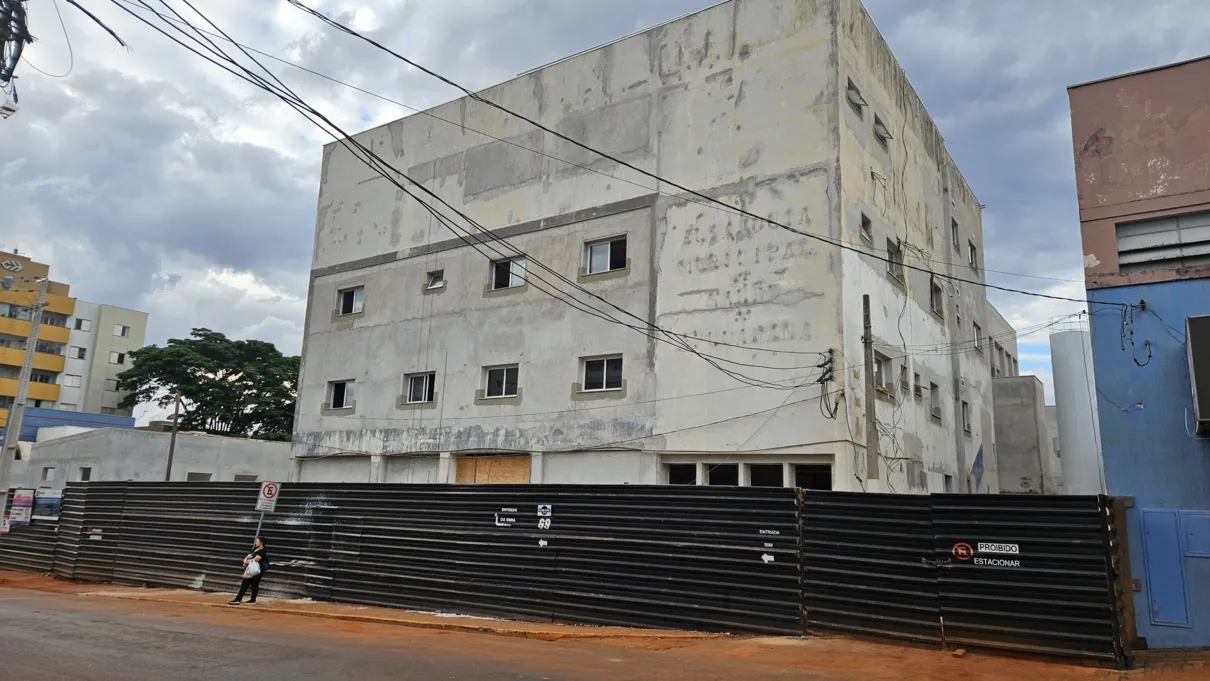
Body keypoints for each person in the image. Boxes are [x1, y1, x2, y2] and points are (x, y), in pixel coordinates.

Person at [228, 537, 268, 605]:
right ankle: (252, 600)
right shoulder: (254, 550)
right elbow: (247, 557)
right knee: (254, 585)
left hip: (257, 571)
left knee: (245, 583)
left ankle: (238, 599)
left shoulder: (262, 551)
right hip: (251, 570)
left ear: (261, 543)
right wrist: (246, 561)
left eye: (257, 541)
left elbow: (256, 559)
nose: (255, 543)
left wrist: (247, 561)